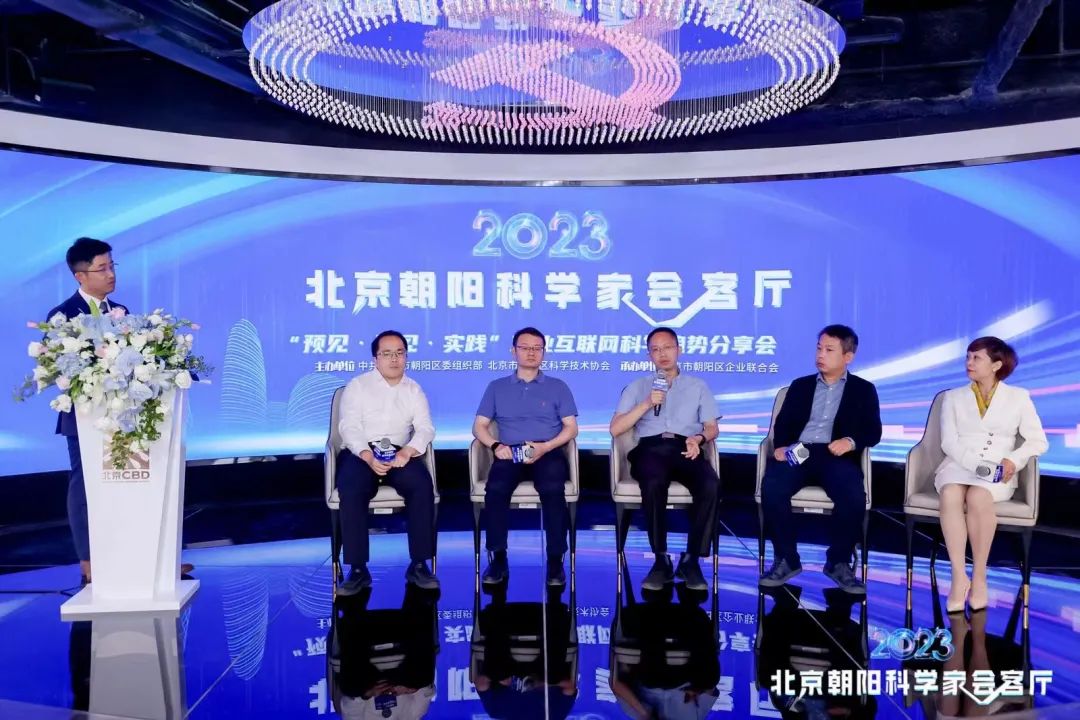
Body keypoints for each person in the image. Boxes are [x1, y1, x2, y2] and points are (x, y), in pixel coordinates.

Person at [759, 325, 882, 594]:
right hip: (800, 451)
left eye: (829, 350)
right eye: (818, 348)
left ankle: (838, 561)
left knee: (853, 496)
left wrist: (850, 441)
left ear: (848, 357)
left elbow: (873, 431)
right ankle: (786, 558)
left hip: (835, 453)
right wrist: (781, 447)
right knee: (773, 487)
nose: (820, 355)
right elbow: (783, 424)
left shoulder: (863, 390)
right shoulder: (800, 386)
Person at [935, 337, 1047, 613]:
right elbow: (948, 442)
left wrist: (1013, 460)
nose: (969, 363)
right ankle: (959, 576)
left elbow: (1038, 441)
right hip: (959, 463)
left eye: (976, 358)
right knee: (950, 493)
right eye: (968, 357)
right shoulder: (952, 397)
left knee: (978, 496)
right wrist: (977, 465)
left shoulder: (1018, 397)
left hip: (999, 469)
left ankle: (979, 576)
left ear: (996, 365)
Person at [609, 327, 720, 592]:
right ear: (649, 355)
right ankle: (660, 559)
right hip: (651, 447)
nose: (662, 354)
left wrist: (698, 439)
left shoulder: (698, 386)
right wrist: (647, 403)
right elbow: (615, 429)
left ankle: (691, 559)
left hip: (686, 446)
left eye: (667, 347)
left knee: (710, 484)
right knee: (653, 481)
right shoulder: (637, 387)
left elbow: (712, 427)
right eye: (655, 350)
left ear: (678, 350)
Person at [48, 238, 127, 584]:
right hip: (84, 417)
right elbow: (60, 369)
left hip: (124, 416)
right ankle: (89, 560)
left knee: (130, 482)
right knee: (84, 486)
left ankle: (141, 556)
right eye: (102, 268)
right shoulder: (62, 316)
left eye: (112, 266)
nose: (110, 274)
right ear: (80, 275)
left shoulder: (121, 311)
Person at [473, 327, 578, 588]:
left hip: (547, 451)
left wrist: (546, 447)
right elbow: (479, 426)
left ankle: (555, 560)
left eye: (537, 348)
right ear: (513, 351)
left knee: (552, 489)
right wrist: (496, 445)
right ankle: (498, 557)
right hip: (510, 451)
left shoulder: (558, 386)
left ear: (544, 353)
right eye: (525, 347)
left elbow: (571, 428)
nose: (531, 353)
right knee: (496, 489)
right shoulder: (496, 387)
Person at [336, 330, 438, 594]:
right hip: (363, 452)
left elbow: (425, 428)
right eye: (387, 354)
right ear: (375, 359)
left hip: (398, 451)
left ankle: (419, 564)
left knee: (421, 486)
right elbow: (349, 427)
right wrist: (367, 456)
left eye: (399, 353)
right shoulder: (358, 385)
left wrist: (408, 451)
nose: (394, 359)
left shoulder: (414, 389)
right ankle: (358, 569)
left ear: (406, 357)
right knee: (352, 488)